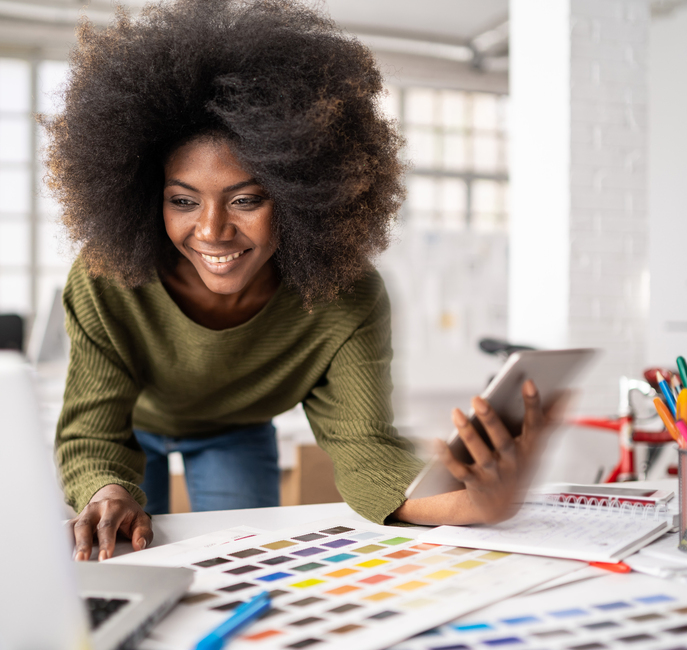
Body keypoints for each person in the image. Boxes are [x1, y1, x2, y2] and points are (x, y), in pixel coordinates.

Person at [42, 0, 551, 561]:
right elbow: (92, 431)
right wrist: (107, 490)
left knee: (235, 565)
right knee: (130, 560)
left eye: (246, 199)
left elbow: (366, 453)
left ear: (298, 194)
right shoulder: (107, 277)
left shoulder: (344, 297)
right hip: (133, 425)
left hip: (237, 429)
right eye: (182, 200)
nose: (211, 230)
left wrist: (474, 504)